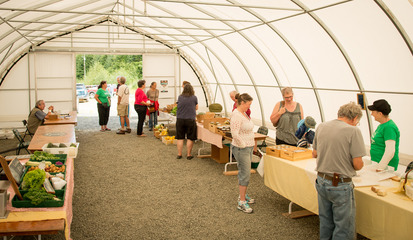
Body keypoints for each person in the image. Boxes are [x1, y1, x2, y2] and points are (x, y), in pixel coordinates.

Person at [312, 102, 365, 240]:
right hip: (340, 185)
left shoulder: (321, 126)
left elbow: (315, 153)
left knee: (325, 221)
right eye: (357, 122)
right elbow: (357, 164)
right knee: (343, 227)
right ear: (354, 118)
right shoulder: (353, 131)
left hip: (322, 180)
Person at [230, 93, 255, 213]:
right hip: (242, 148)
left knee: (246, 173)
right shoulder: (236, 115)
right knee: (245, 174)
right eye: (248, 104)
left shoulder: (243, 113)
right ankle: (241, 202)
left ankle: (243, 195)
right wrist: (244, 145)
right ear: (242, 103)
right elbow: (234, 134)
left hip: (248, 147)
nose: (249, 107)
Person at [368, 99, 400, 171]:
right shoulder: (382, 125)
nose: (371, 114)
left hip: (386, 167)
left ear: (380, 114)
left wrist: (380, 167)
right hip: (377, 163)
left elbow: (390, 151)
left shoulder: (389, 127)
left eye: (373, 112)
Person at [176, 83, 198, 160]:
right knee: (190, 138)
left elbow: (178, 106)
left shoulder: (180, 97)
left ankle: (179, 154)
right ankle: (188, 154)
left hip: (180, 119)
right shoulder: (194, 98)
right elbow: (196, 108)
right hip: (190, 120)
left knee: (180, 138)